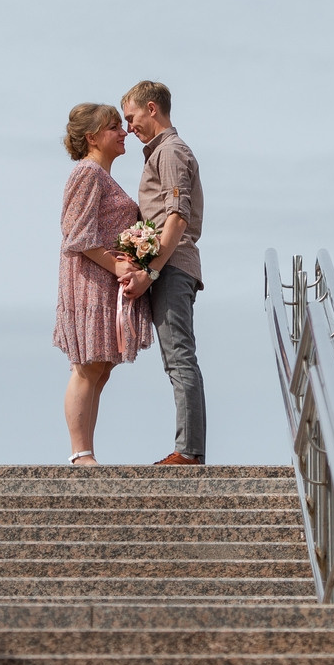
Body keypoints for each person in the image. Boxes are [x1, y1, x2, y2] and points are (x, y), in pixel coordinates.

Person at [54, 103, 151, 466]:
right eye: (114, 127)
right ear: (92, 138)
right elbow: (76, 234)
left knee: (101, 367)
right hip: (90, 280)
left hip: (105, 280)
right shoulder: (87, 173)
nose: (123, 132)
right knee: (88, 365)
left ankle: (86, 451)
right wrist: (118, 264)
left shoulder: (102, 175)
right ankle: (81, 454)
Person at [119, 80, 206, 466]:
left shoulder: (170, 152)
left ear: (151, 108)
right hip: (167, 266)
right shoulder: (161, 153)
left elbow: (177, 218)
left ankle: (188, 452)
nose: (128, 127)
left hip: (171, 267)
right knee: (177, 358)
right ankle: (190, 450)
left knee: (179, 358)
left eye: (131, 117)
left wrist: (150, 273)